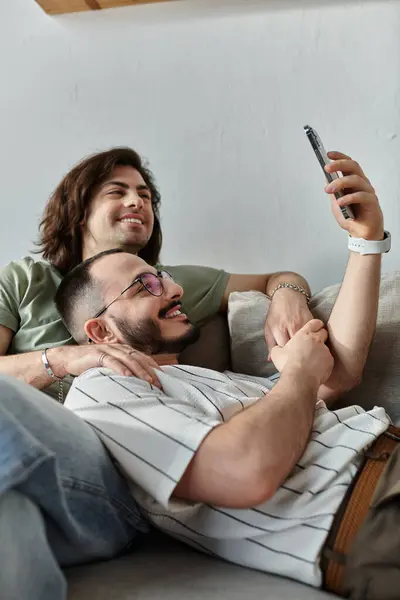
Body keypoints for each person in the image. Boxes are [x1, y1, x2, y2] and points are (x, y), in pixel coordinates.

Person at [59, 153, 397, 599]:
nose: (175, 288)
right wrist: (297, 372)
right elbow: (244, 470)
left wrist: (365, 240)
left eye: (164, 278)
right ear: (100, 331)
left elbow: (341, 372)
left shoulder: (210, 379)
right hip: (373, 510)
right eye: (146, 286)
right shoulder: (99, 391)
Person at [0, 147, 313, 401]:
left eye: (145, 196)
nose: (136, 201)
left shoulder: (169, 286)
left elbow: (279, 277)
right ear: (80, 212)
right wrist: (64, 360)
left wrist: (287, 295)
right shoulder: (24, 280)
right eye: (117, 192)